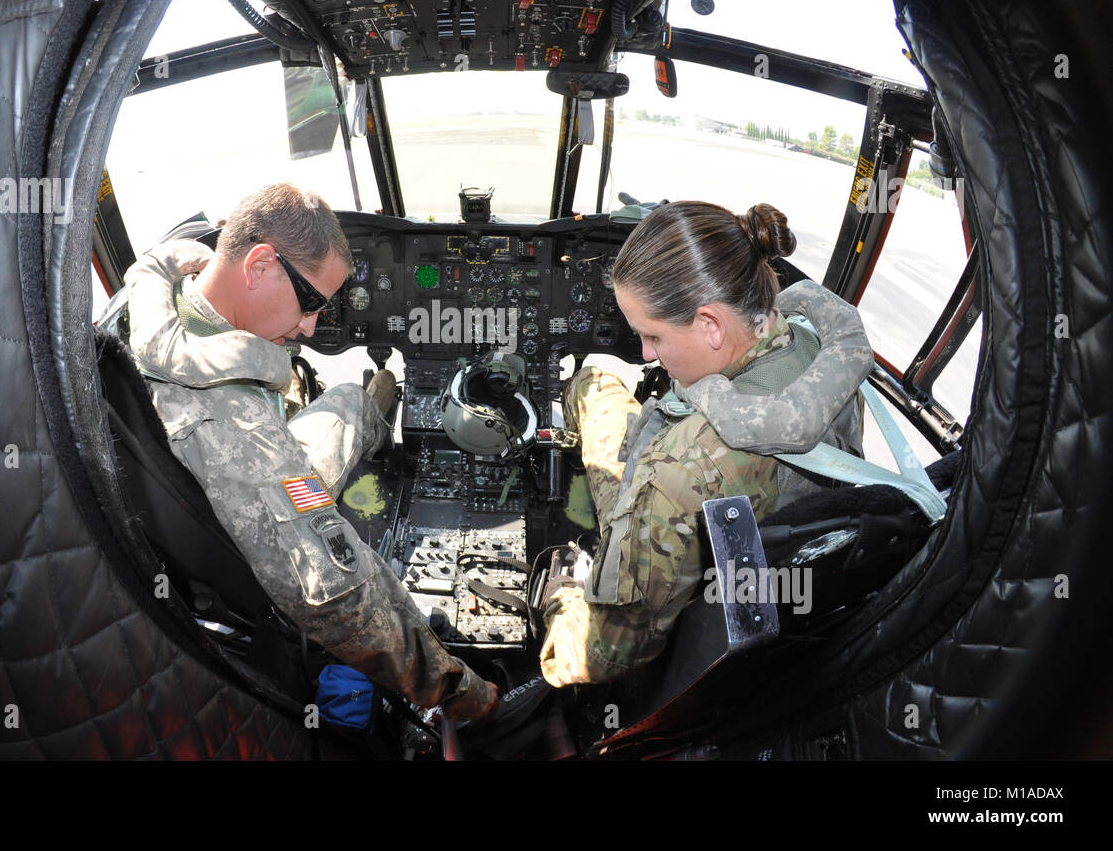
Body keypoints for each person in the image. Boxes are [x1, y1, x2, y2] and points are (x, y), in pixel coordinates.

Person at [123, 183, 498, 719]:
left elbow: (149, 270)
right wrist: (467, 695)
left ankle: (378, 404)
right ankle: (385, 425)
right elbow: (338, 600)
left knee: (350, 399)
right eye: (311, 303)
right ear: (258, 266)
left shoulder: (159, 301)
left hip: (219, 488)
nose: (312, 327)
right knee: (345, 545)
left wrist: (173, 262)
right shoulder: (235, 425)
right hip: (250, 517)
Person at [539, 201, 874, 687]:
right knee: (592, 380)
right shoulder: (819, 351)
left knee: (593, 384)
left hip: (672, 520)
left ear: (711, 324)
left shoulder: (679, 471)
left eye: (653, 336)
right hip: (770, 553)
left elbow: (607, 655)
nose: (647, 354)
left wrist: (560, 594)